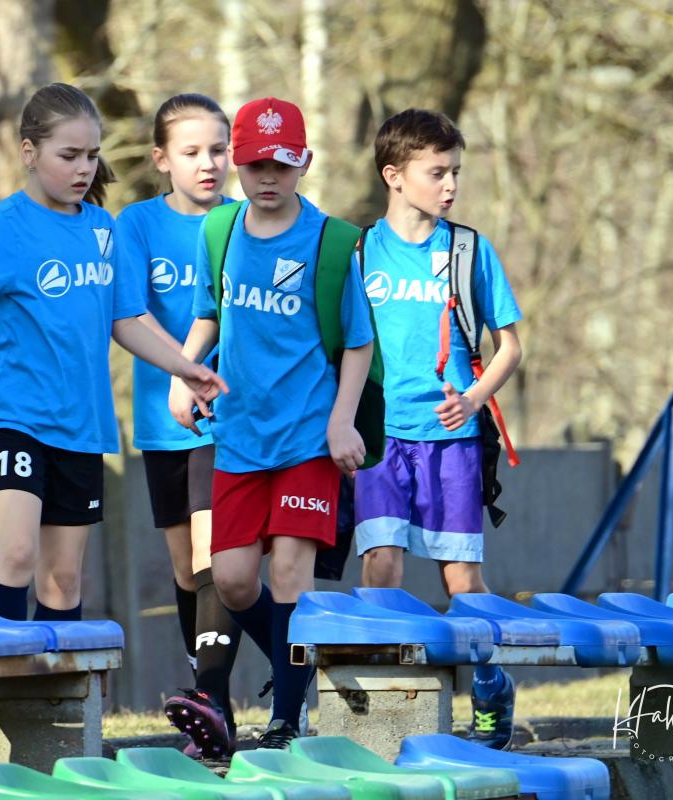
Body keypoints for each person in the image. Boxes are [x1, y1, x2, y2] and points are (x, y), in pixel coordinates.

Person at [0, 83, 227, 624]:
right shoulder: (6, 225)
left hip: (83, 426)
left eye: (91, 155)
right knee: (17, 554)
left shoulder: (102, 228)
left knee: (63, 581)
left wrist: (186, 368)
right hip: (15, 419)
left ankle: (51, 682)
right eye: (69, 155)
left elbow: (126, 320)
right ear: (29, 152)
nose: (84, 168)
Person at [169, 97, 374, 752]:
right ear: (238, 163)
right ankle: (302, 666)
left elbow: (359, 343)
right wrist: (183, 372)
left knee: (290, 572)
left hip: (307, 439)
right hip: (238, 437)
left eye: (282, 165)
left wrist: (341, 421)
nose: (268, 177)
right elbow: (209, 314)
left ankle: (286, 721)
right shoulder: (219, 231)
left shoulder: (332, 243)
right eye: (256, 164)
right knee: (231, 580)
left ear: (303, 163)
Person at [353, 108, 524, 750]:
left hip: (451, 442)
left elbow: (510, 347)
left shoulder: (468, 251)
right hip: (379, 438)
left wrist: (474, 399)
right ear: (393, 175)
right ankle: (381, 706)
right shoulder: (358, 252)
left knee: (461, 581)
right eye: (437, 172)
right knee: (381, 564)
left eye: (455, 172)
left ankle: (491, 684)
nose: (450, 184)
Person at [115, 93, 243, 756]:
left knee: (211, 555)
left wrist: (200, 375)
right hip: (162, 420)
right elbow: (130, 313)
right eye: (191, 152)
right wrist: (178, 370)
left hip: (230, 418)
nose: (208, 163)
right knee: (186, 571)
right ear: (161, 159)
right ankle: (208, 697)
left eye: (219, 149)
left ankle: (213, 700)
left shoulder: (245, 221)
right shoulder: (137, 223)